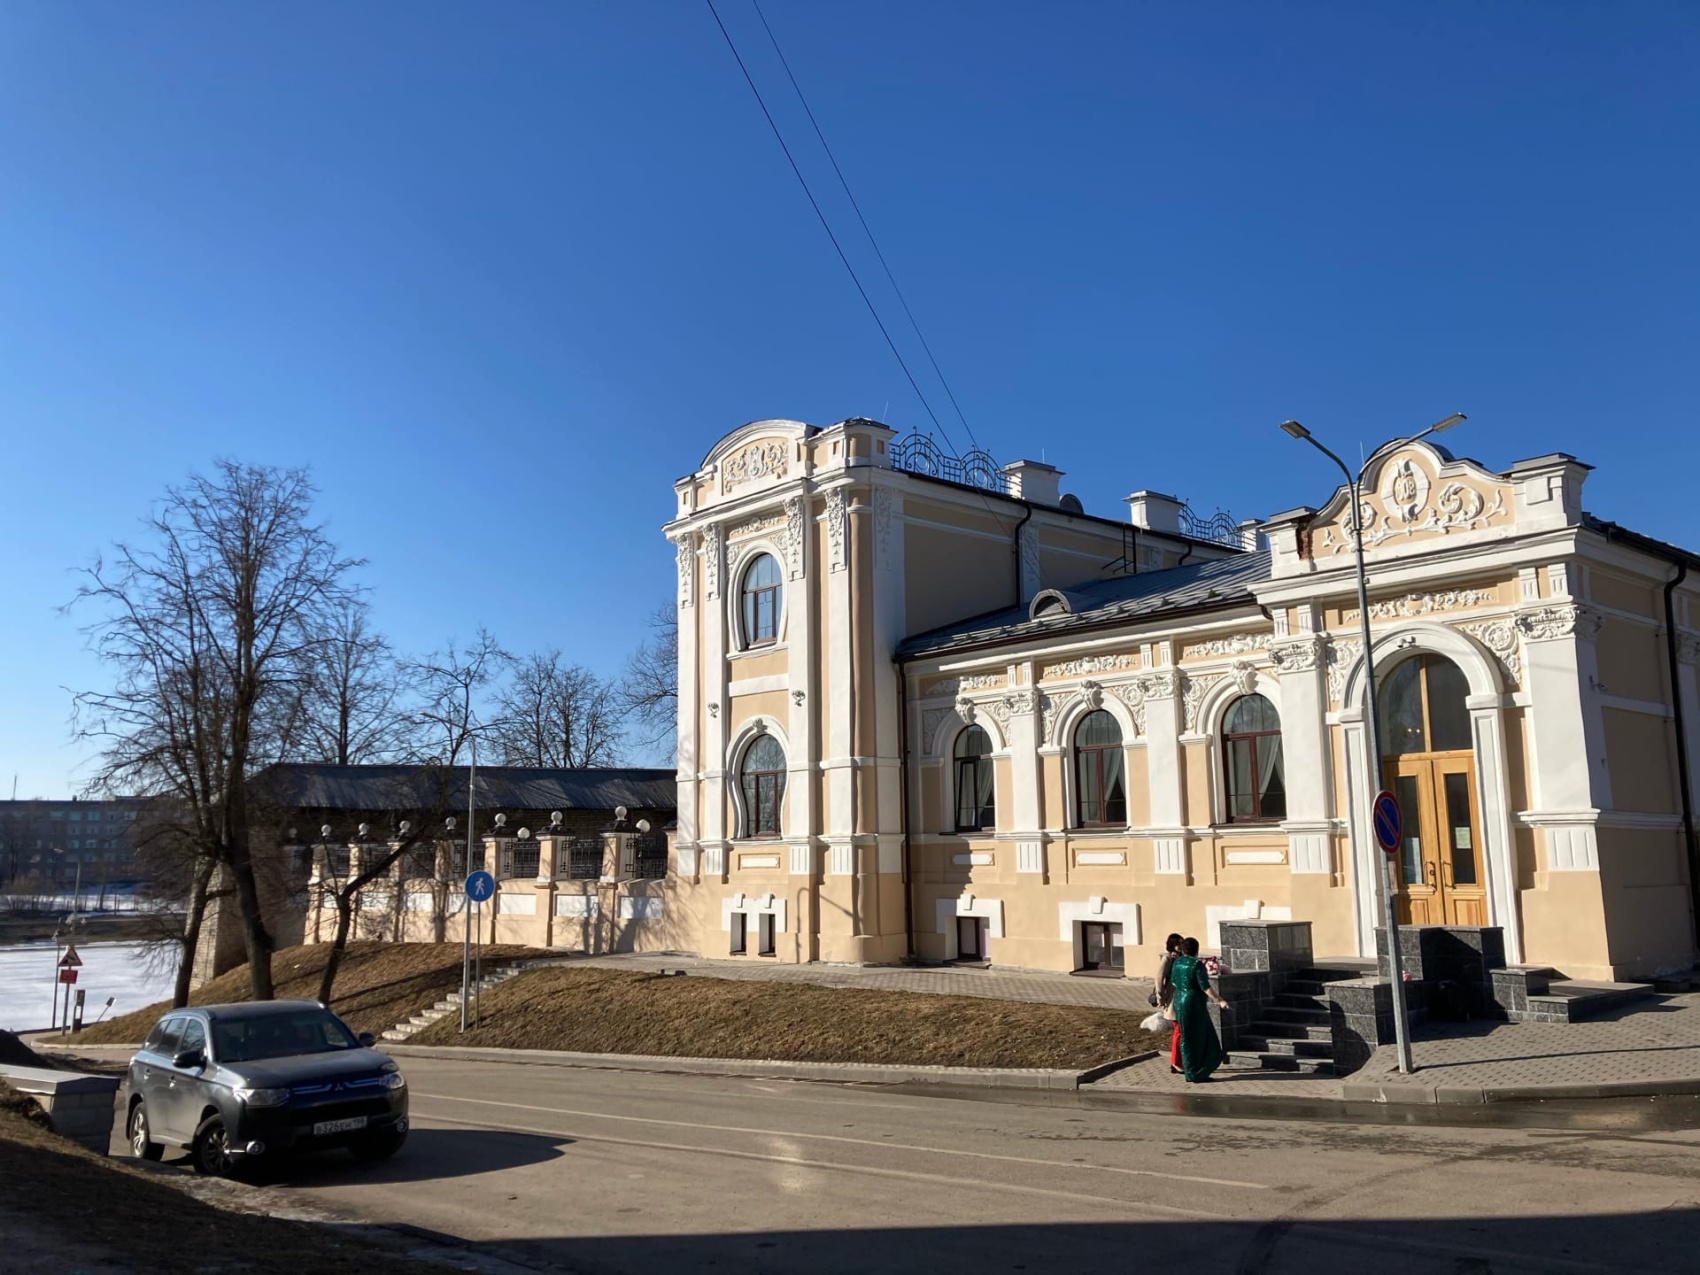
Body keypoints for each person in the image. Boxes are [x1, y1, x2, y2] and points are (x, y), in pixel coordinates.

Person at [1171, 936, 1229, 1083]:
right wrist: (1220, 1000)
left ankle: (1191, 1070)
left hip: (1179, 1000)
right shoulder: (1196, 964)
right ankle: (1196, 1072)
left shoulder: (1177, 962)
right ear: (1196, 950)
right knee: (1199, 1036)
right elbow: (1205, 986)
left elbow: (1173, 981)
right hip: (1193, 1003)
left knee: (1186, 1036)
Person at [1155, 933, 1183, 1074]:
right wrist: (1160, 995)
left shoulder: (1181, 957)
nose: (1181, 945)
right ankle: (1175, 1062)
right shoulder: (1167, 959)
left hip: (1181, 998)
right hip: (1173, 998)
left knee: (1181, 1031)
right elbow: (1159, 977)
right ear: (1172, 944)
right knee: (1178, 1031)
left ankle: (1179, 1061)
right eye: (1179, 943)